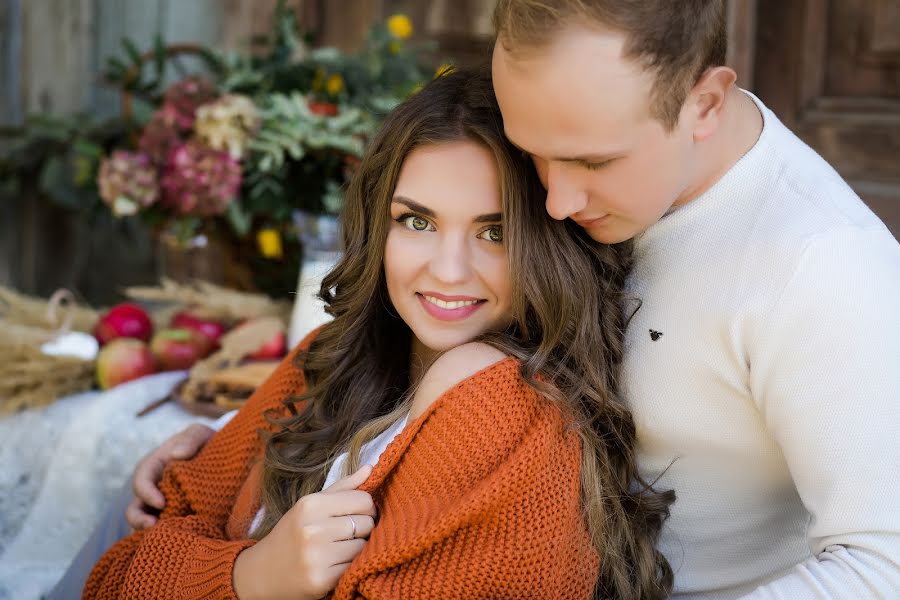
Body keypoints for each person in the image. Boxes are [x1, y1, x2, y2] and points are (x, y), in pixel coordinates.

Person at [81, 68, 674, 599]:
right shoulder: (332, 359)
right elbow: (116, 573)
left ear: (550, 246)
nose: (446, 271)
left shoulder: (512, 415)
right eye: (416, 221)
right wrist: (247, 576)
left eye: (494, 233)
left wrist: (235, 573)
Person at [488, 1, 898, 598]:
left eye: (595, 161)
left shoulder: (826, 266)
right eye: (532, 153)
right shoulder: (582, 160)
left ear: (703, 104)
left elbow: (883, 566)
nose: (556, 200)